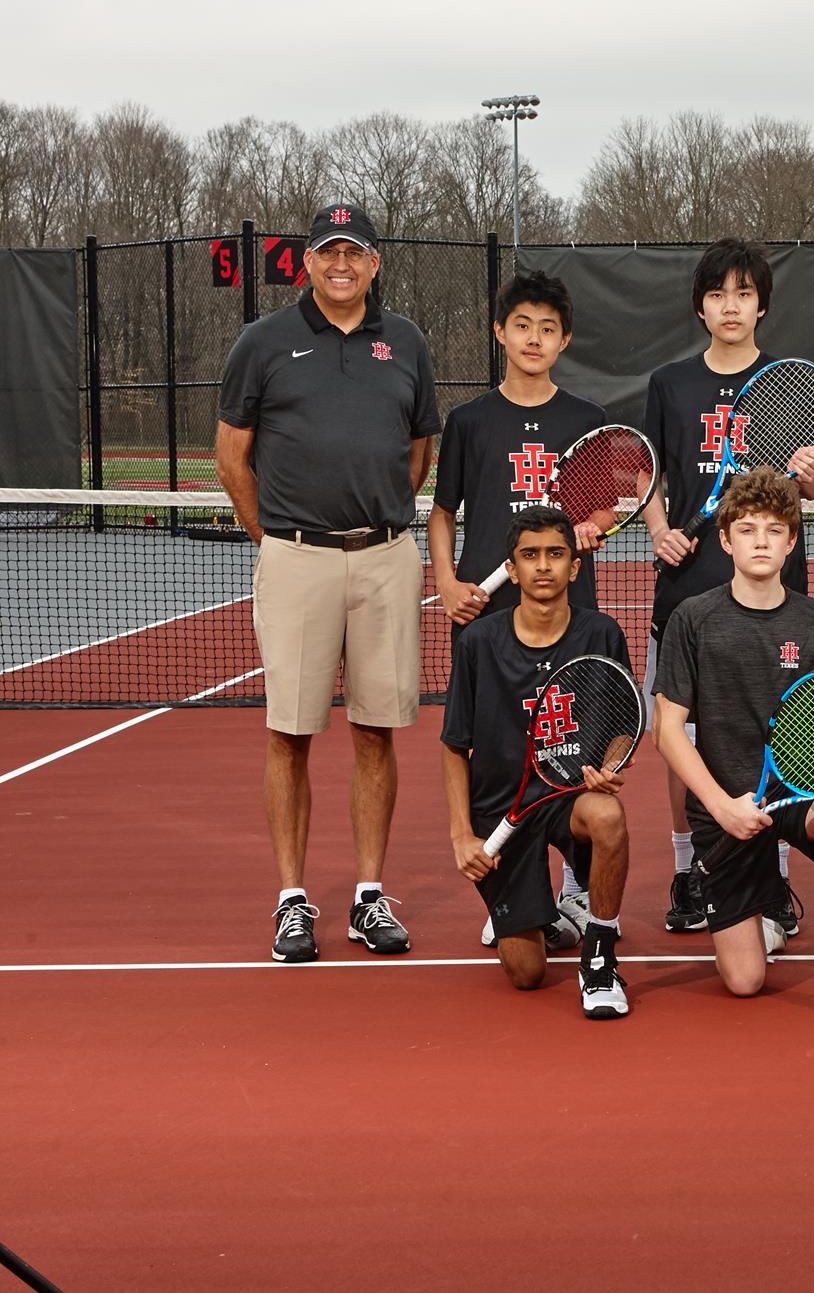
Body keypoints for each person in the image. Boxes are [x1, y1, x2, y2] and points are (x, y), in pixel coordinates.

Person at [217, 203, 438, 964]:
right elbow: (231, 455)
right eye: (327, 252)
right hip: (295, 557)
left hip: (384, 556)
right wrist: (273, 539)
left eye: (355, 252)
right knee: (291, 732)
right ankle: (291, 901)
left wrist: (378, 519)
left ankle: (369, 897)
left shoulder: (405, 341)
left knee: (376, 730)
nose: (341, 264)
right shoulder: (263, 343)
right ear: (305, 262)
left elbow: (418, 450)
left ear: (375, 262)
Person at [651, 468, 814, 1021]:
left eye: (773, 530)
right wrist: (721, 807)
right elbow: (668, 730)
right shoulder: (694, 618)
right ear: (725, 539)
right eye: (747, 530)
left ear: (791, 541)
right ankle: (759, 904)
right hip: (727, 807)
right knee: (744, 982)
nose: (760, 541)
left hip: (800, 796)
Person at [638, 239, 814, 942]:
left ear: (762, 305)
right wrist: (659, 529)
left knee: (777, 736)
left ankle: (770, 874)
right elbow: (648, 476)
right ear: (700, 306)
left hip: (777, 600)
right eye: (718, 294)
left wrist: (810, 477)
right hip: (689, 595)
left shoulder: (791, 381)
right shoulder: (670, 383)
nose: (731, 306)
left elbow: (808, 486)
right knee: (682, 735)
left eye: (744, 294)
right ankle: (692, 869)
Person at [442, 508, 634, 1018]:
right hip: (501, 807)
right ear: (513, 568)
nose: (543, 566)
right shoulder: (479, 642)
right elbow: (454, 745)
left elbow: (624, 723)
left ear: (575, 567)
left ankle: (600, 955)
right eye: (530, 556)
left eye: (555, 554)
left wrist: (611, 765)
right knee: (526, 974)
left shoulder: (602, 634)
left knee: (608, 816)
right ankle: (540, 915)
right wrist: (462, 835)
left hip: (569, 797)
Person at [431, 268, 608, 627]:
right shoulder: (467, 421)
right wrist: (447, 584)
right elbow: (442, 514)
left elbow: (604, 511)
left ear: (564, 339)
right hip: (485, 605)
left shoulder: (588, 419)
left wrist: (591, 529)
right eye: (522, 326)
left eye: (547, 329)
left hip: (567, 604)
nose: (534, 339)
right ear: (500, 331)